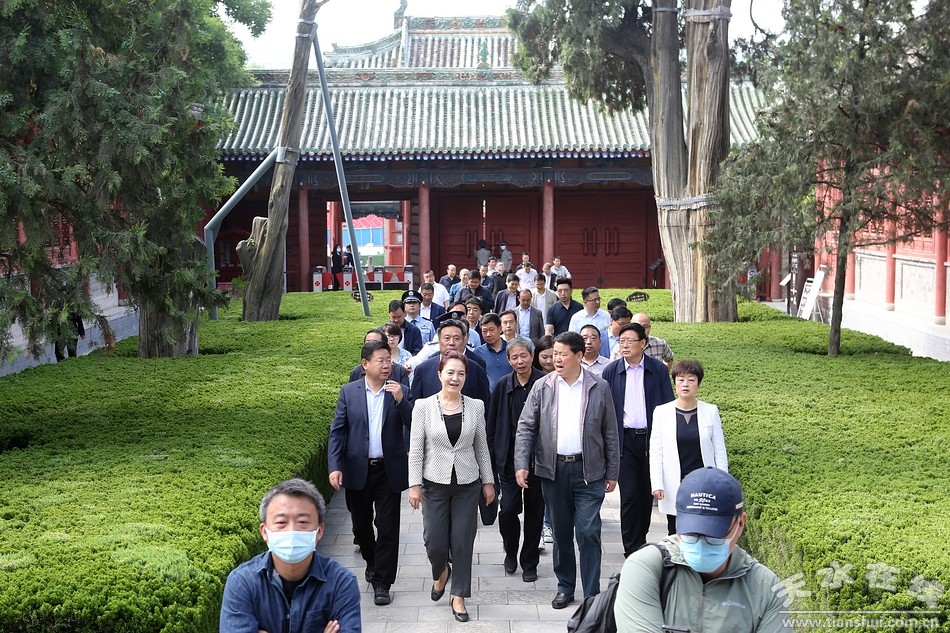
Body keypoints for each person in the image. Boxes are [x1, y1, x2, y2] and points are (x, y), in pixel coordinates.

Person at [514, 331, 620, 608]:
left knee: (588, 531)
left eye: (562, 354)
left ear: (579, 356)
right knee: (561, 534)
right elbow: (526, 427)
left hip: (588, 471)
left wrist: (612, 471)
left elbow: (610, 431)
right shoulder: (543, 386)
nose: (556, 359)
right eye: (554, 354)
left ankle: (592, 593)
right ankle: (565, 587)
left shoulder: (599, 386)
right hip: (553, 471)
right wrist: (521, 464)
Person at [614, 468, 790, 632]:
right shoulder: (646, 567)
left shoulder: (766, 588)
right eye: (691, 533)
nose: (700, 544)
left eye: (713, 534)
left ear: (740, 524)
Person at [408, 351, 496, 623]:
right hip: (434, 483)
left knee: (462, 541)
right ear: (440, 375)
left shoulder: (476, 406)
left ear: (466, 377)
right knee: (434, 542)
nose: (455, 378)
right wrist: (414, 485)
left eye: (461, 374)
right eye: (450, 372)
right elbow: (416, 449)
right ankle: (441, 572)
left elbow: (481, 447)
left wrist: (488, 481)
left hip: (467, 484)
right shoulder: (423, 406)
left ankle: (459, 595)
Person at [328, 341, 412, 606]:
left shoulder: (399, 391)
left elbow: (414, 423)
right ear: (365, 364)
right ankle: (372, 561)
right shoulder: (349, 392)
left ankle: (382, 583)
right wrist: (334, 466)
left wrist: (401, 401)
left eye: (389, 360)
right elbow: (338, 431)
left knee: (387, 528)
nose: (387, 365)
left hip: (389, 470)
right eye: (381, 360)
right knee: (361, 526)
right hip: (358, 469)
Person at [219, 478, 361, 632]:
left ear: (319, 531)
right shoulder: (242, 583)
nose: (292, 530)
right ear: (264, 532)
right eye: (281, 522)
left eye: (302, 522)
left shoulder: (341, 582)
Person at [601, 322, 675, 557]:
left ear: (643, 343)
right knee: (630, 496)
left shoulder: (658, 370)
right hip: (624, 441)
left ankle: (640, 539)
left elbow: (668, 405)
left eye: (630, 341)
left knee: (645, 496)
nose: (624, 345)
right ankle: (631, 549)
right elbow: (605, 410)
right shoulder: (611, 371)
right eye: (621, 341)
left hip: (651, 440)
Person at [486, 336, 546, 582]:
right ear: (508, 360)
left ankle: (529, 561)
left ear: (532, 356)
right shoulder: (503, 385)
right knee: (508, 509)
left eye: (523, 356)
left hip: (538, 460)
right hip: (508, 459)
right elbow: (492, 425)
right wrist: (491, 460)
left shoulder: (545, 382)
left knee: (535, 512)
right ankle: (510, 550)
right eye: (514, 357)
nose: (519, 361)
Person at [651, 360, 728, 535]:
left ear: (698, 384)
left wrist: (723, 482)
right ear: (675, 383)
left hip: (704, 483)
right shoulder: (662, 412)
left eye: (691, 380)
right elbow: (656, 451)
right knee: (675, 530)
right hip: (674, 482)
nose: (685, 384)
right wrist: (657, 483)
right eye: (681, 380)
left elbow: (719, 451)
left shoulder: (710, 411)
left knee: (702, 530)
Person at [410, 319, 491, 408]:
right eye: (447, 338)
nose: (451, 343)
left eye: (456, 338)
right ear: (439, 341)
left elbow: (485, 406)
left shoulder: (477, 370)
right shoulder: (423, 370)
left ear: (464, 341)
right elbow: (415, 406)